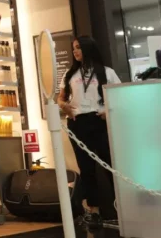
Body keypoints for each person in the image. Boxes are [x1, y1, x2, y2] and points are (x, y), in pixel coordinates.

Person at [58, 36, 121, 227]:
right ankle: (94, 211)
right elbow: (60, 98)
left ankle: (123, 208)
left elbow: (119, 96)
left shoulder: (106, 72)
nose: (75, 51)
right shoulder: (70, 74)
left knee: (111, 164)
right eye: (73, 48)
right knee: (86, 169)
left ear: (88, 48)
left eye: (78, 48)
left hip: (99, 121)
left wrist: (107, 112)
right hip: (78, 123)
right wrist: (64, 107)